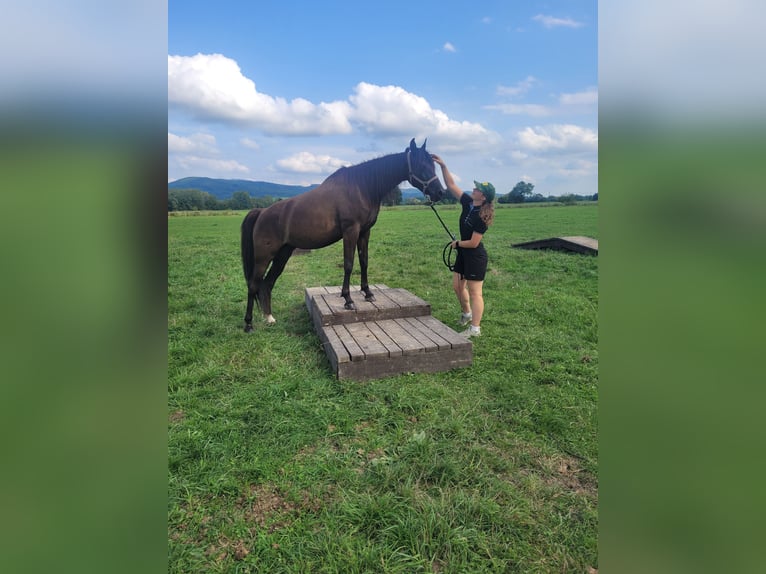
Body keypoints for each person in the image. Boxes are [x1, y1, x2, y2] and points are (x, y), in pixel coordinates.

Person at [431, 154, 495, 337]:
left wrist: (457, 243)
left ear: (482, 196)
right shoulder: (468, 203)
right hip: (463, 254)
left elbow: (474, 243)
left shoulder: (482, 217)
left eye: (477, 189)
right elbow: (451, 185)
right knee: (458, 287)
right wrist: (443, 166)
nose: (473, 189)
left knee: (476, 293)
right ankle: (467, 314)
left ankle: (475, 329)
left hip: (475, 256)